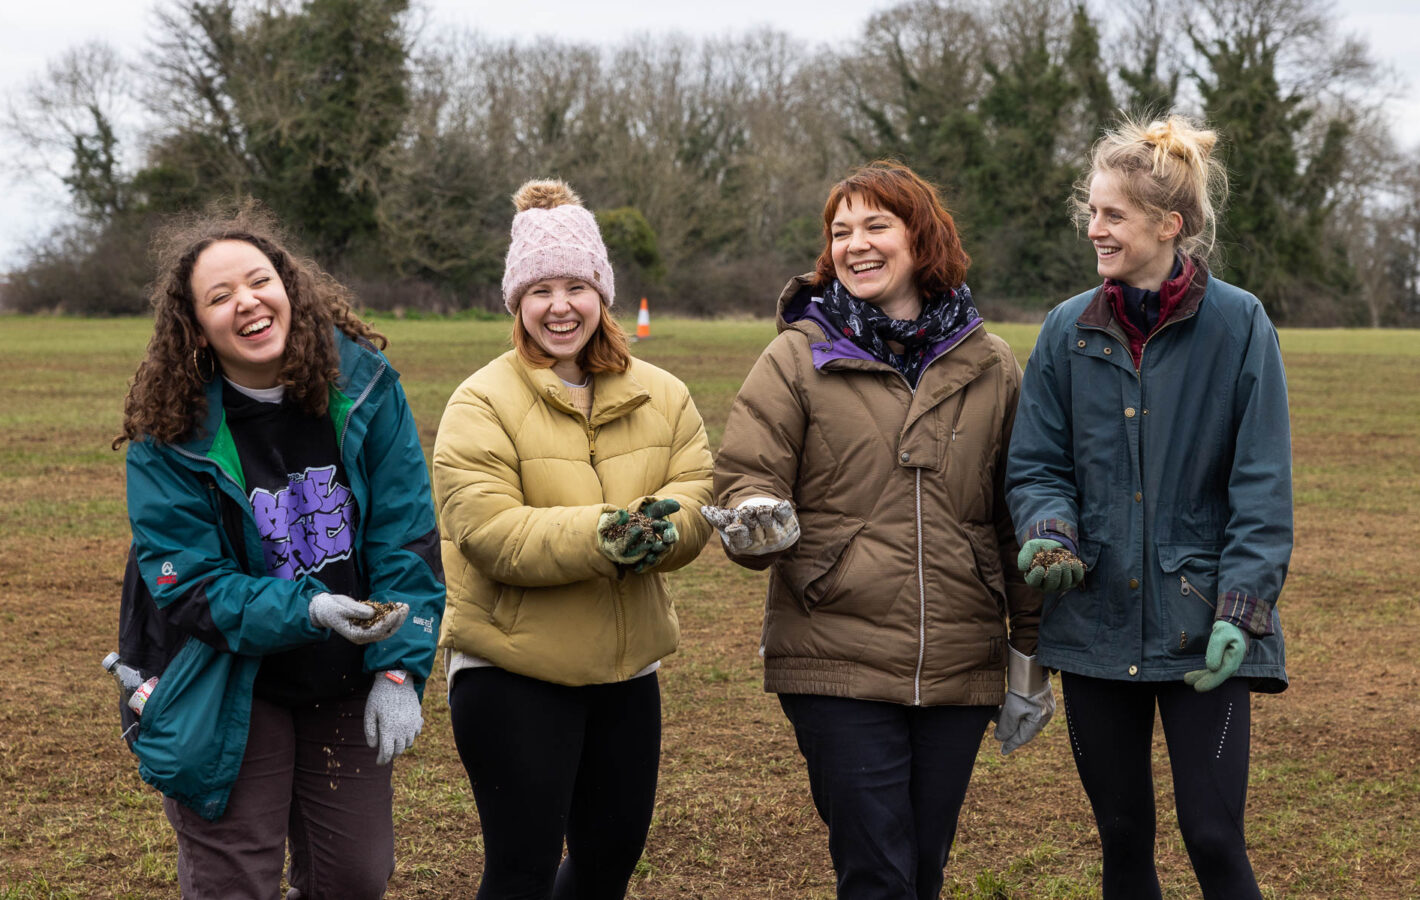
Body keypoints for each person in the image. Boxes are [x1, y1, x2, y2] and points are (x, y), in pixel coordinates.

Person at [702, 160, 1046, 900]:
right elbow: (746, 470)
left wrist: (1027, 658)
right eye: (841, 230)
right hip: (836, 656)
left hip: (959, 664)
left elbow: (1018, 516)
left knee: (921, 873)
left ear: (921, 237)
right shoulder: (797, 355)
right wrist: (755, 515)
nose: (856, 243)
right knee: (877, 876)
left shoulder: (991, 364)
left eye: (875, 225)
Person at [113, 205, 445, 900]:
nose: (247, 303)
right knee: (236, 881)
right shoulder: (168, 432)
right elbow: (190, 585)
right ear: (195, 327)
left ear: (290, 288)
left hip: (345, 675)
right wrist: (312, 607)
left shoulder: (366, 387)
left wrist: (397, 672)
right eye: (219, 297)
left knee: (352, 878)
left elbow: (407, 538)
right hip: (223, 677)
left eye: (258, 281)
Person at [1004, 113, 1291, 900]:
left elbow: (1262, 485)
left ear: (1171, 225)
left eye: (1112, 215)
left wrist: (1243, 606)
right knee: (1123, 838)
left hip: (1204, 623)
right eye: (1091, 211)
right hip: (1092, 623)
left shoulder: (1240, 325)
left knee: (1213, 835)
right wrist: (1049, 533)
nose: (1094, 229)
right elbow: (1036, 465)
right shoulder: (1065, 330)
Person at [432, 179, 713, 900]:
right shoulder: (480, 401)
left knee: (607, 863)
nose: (560, 306)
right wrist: (613, 535)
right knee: (520, 871)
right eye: (540, 289)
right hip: (512, 674)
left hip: (627, 674)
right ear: (516, 303)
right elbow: (489, 530)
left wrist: (660, 529)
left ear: (603, 293)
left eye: (576, 286)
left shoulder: (664, 394)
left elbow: (695, 496)